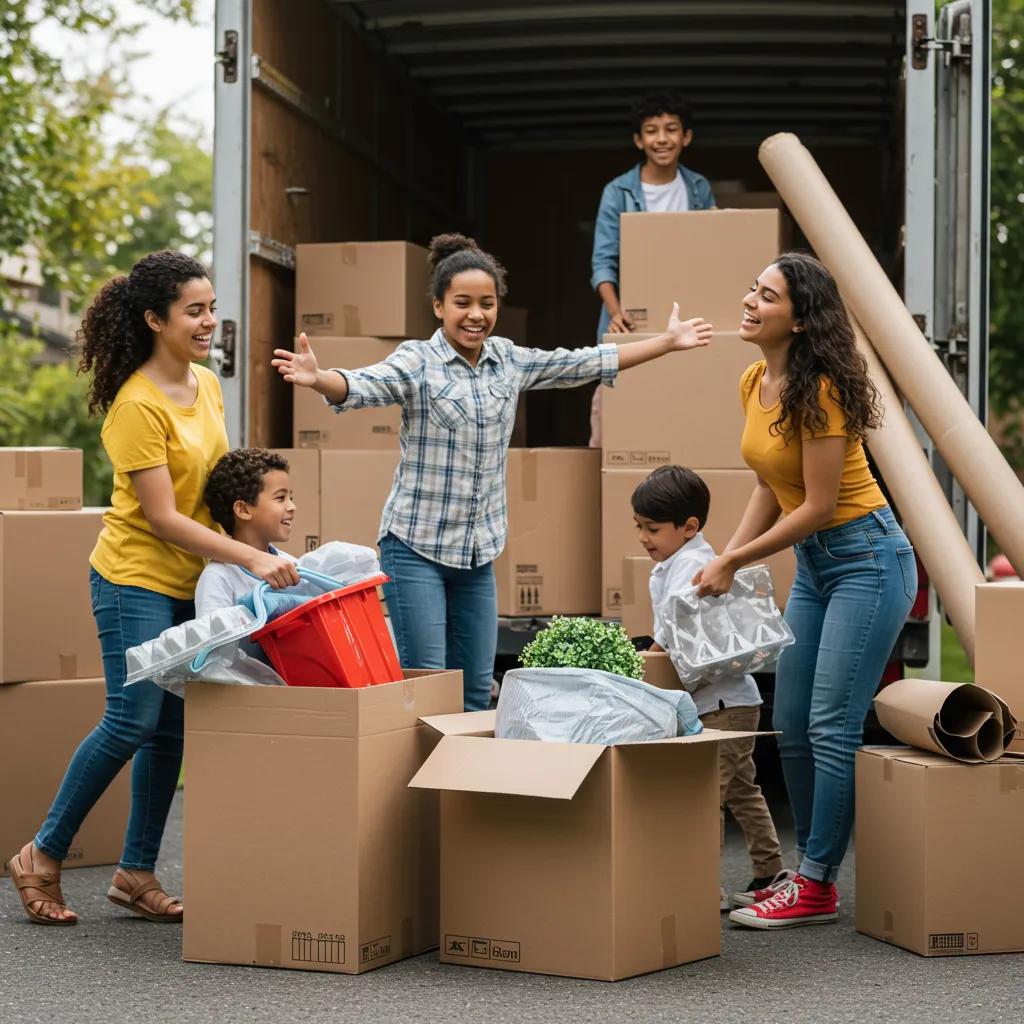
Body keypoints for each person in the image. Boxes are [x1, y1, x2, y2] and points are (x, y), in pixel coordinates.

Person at [273, 232, 713, 712]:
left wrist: (667, 343)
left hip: (477, 553)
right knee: (429, 685)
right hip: (415, 548)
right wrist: (320, 379)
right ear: (439, 306)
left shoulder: (508, 359)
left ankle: (469, 787)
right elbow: (363, 385)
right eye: (462, 303)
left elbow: (583, 363)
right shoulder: (418, 361)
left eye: (487, 303)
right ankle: (418, 788)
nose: (476, 314)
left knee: (478, 691)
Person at [7, 252, 298, 927]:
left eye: (209, 308)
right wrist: (248, 563)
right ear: (153, 318)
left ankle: (136, 872)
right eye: (193, 311)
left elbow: (215, 490)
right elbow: (163, 518)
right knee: (132, 718)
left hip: (190, 580)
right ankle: (41, 853)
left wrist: (261, 538)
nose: (207, 321)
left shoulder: (206, 383)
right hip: (133, 577)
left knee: (172, 728)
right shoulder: (135, 406)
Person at [691, 252, 917, 929]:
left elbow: (818, 505)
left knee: (831, 726)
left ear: (798, 319)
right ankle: (813, 880)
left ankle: (816, 880)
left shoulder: (819, 391)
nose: (751, 301)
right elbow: (770, 483)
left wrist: (734, 563)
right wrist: (726, 553)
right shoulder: (753, 379)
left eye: (767, 295)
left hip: (867, 559)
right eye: (751, 288)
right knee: (788, 725)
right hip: (819, 566)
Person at [631, 464, 784, 910]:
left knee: (703, 799)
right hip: (732, 702)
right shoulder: (678, 561)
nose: (643, 538)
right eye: (638, 527)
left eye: (652, 529)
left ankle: (701, 885)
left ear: (689, 527)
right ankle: (769, 870)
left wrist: (645, 658)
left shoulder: (694, 567)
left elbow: (679, 630)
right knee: (742, 789)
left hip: (720, 706)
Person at [588, 91, 717, 446]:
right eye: (651, 130)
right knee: (612, 411)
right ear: (638, 139)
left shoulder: (698, 187)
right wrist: (615, 313)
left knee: (680, 405)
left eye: (671, 129)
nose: (661, 139)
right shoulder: (618, 192)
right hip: (632, 319)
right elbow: (603, 260)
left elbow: (713, 252)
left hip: (684, 315)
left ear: (686, 137)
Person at [196, 448, 297, 620]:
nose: (292, 507)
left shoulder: (291, 564)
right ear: (243, 510)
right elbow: (212, 641)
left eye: (291, 498)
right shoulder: (218, 577)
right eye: (280, 498)